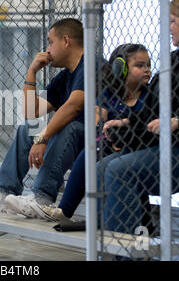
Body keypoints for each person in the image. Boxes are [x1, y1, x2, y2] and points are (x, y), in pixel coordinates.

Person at [96, 0, 179, 235]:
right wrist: (127, 121)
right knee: (101, 167)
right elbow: (150, 108)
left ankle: (126, 251)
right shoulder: (174, 61)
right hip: (167, 147)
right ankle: (122, 240)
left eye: (174, 21)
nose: (168, 27)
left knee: (120, 170)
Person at [0, 18, 88, 217]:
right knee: (27, 128)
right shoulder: (65, 76)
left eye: (50, 42)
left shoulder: (91, 64)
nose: (47, 50)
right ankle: (4, 192)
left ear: (66, 41)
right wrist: (32, 71)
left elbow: (73, 108)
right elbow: (31, 112)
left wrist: (43, 138)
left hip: (92, 141)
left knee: (68, 126)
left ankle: (42, 197)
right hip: (70, 141)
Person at [30, 43, 152, 224]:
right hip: (110, 146)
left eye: (148, 65)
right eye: (139, 66)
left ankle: (143, 223)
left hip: (139, 148)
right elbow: (98, 124)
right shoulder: (107, 95)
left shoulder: (150, 96)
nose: (147, 70)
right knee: (91, 152)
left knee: (120, 166)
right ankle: (64, 211)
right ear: (121, 69)